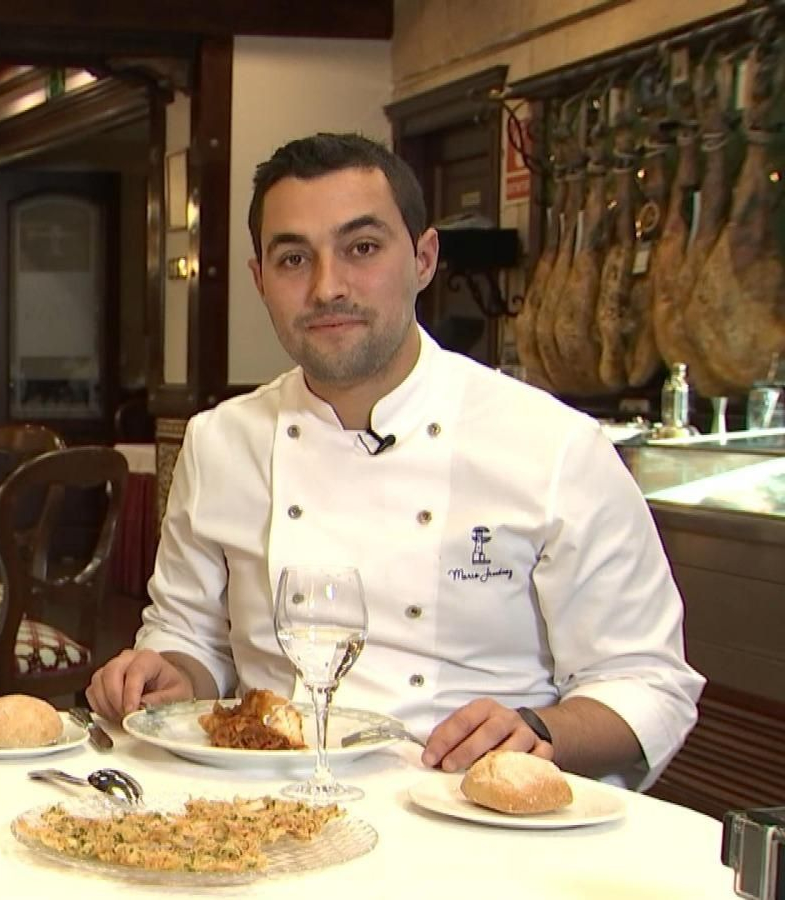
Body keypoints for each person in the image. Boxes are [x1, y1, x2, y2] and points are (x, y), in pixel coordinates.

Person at [86, 132, 703, 788]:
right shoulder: (219, 442)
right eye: (294, 258)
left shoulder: (554, 448)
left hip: (468, 817)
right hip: (264, 806)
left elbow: (648, 683)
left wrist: (541, 728)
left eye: (362, 248)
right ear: (259, 278)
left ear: (424, 257)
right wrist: (168, 674)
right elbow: (190, 636)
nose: (328, 287)